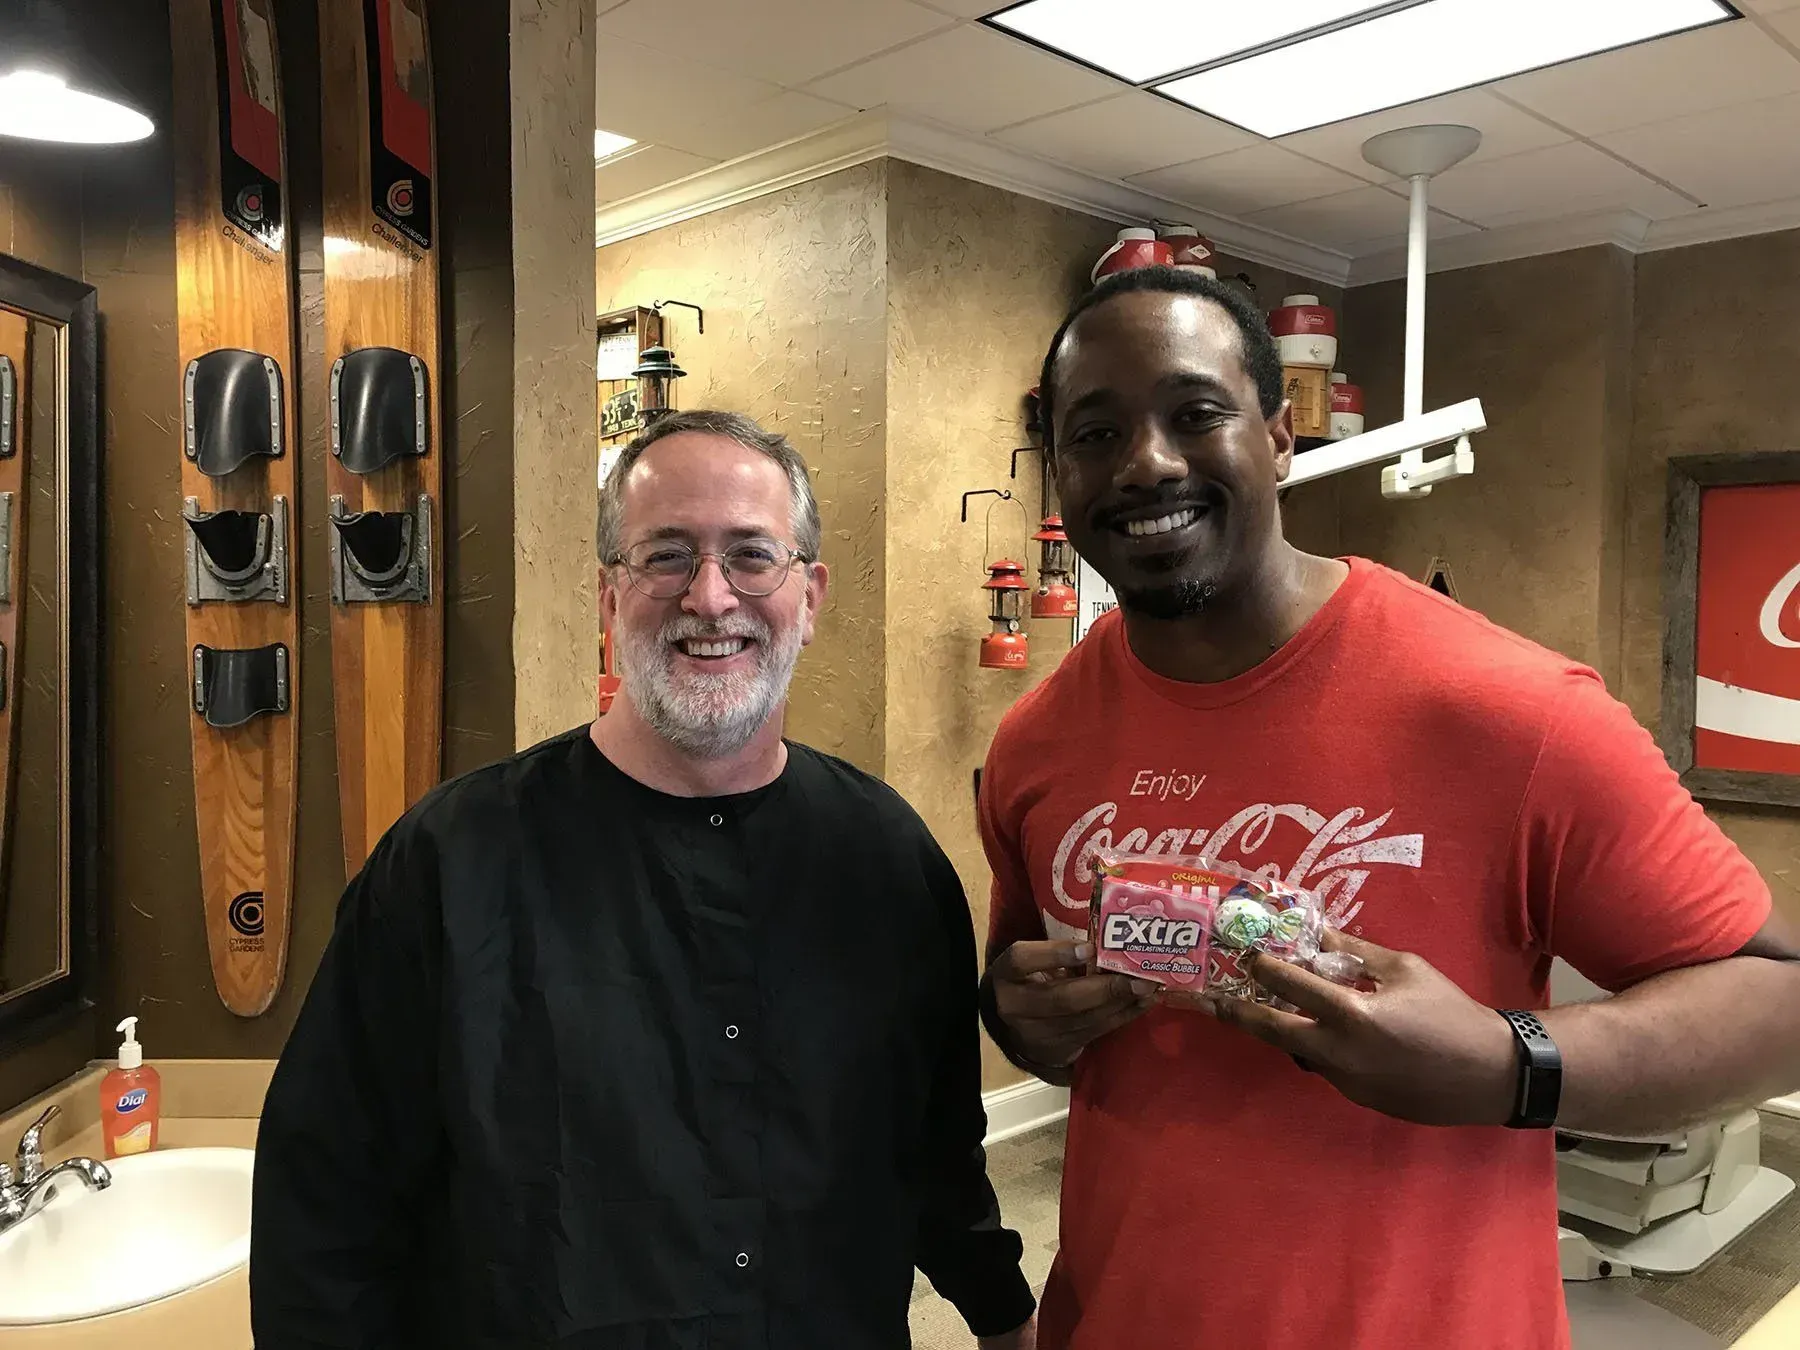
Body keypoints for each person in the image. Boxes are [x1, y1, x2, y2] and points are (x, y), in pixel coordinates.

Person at [977, 266, 1800, 1350]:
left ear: (1280, 437)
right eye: (1095, 432)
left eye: (1196, 414)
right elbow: (1032, 1011)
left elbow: (1779, 1004)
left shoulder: (1512, 710)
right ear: (1060, 468)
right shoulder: (1035, 742)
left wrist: (1507, 1063)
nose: (1147, 463)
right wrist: (1023, 1019)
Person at [252, 409, 1038, 1350]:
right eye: (665, 556)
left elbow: (936, 1141)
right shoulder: (449, 863)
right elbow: (325, 1203)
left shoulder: (887, 859)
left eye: (752, 555)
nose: (710, 596)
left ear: (811, 597)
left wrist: (1001, 1312)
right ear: (607, 596)